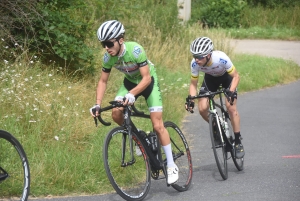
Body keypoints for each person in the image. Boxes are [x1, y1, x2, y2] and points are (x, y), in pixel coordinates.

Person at [89, 20, 179, 184]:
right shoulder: (108, 57)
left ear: (120, 40)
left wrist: (132, 94)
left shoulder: (135, 50)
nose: (107, 48)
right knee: (116, 113)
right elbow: (103, 81)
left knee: (157, 125)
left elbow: (146, 78)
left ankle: (172, 165)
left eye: (109, 43)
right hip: (129, 82)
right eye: (104, 44)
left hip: (148, 82)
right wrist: (97, 104)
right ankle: (139, 138)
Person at [185, 37, 245, 158]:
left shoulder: (221, 58)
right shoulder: (194, 63)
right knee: (202, 108)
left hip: (227, 78)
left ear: (208, 55)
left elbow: (236, 76)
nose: (197, 59)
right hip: (210, 80)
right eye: (194, 56)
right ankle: (217, 128)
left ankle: (238, 141)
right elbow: (193, 84)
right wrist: (191, 99)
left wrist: (231, 91)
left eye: (200, 57)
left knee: (231, 107)